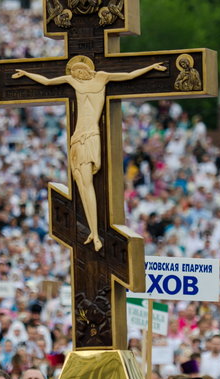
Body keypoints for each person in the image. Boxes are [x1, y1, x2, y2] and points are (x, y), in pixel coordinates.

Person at [12, 56, 166, 251]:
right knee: (80, 183)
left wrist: (151, 67)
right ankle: (93, 231)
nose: (77, 76)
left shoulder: (102, 77)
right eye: (75, 73)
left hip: (91, 135)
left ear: (86, 70)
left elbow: (128, 75)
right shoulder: (72, 81)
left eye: (79, 72)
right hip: (77, 136)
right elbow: (48, 81)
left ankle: (95, 231)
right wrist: (26, 74)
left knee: (87, 183)